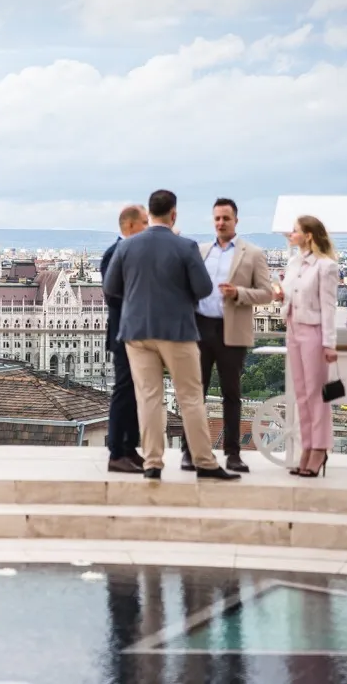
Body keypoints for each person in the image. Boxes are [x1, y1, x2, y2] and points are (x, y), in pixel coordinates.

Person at [103, 190, 239, 481]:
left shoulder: (127, 247)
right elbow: (203, 289)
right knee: (190, 396)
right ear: (173, 214)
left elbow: (111, 287)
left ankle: (153, 462)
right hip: (176, 331)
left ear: (149, 214)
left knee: (149, 397)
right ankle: (204, 461)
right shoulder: (185, 247)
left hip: (136, 332)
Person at [185, 198, 274, 474]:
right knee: (194, 394)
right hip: (200, 328)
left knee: (231, 394)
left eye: (226, 218)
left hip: (231, 329)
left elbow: (267, 293)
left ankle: (233, 453)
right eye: (217, 219)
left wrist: (239, 293)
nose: (221, 223)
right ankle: (192, 451)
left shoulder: (253, 254)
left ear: (236, 220)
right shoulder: (200, 252)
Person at [274, 215, 339, 478]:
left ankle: (320, 448)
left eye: (295, 231)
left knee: (317, 395)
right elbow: (292, 295)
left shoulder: (325, 266)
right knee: (301, 394)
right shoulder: (294, 263)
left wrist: (329, 344)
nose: (291, 235)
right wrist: (281, 296)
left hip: (313, 332)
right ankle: (308, 446)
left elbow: (329, 307)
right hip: (293, 330)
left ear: (309, 235)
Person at [100, 203, 148, 473]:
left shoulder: (127, 252)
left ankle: (130, 448)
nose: (148, 227)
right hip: (122, 332)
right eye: (144, 222)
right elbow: (112, 294)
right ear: (130, 225)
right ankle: (117, 452)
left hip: (134, 331)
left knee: (134, 392)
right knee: (124, 391)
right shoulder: (114, 253)